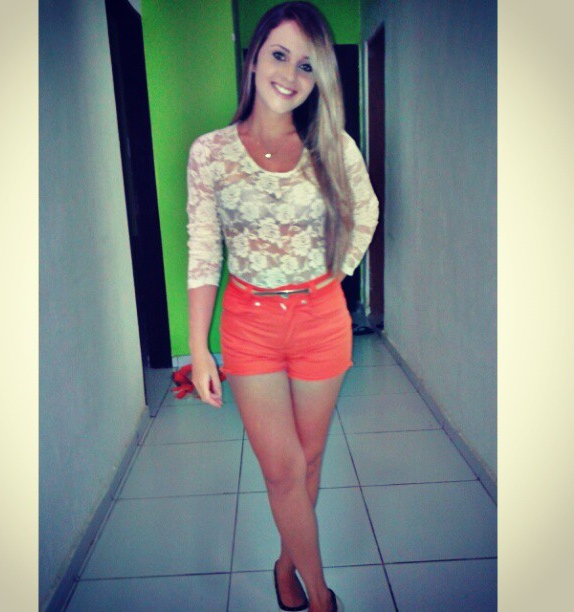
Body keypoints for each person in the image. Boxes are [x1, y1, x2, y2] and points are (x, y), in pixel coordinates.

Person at [186, 3, 379, 610]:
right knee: (281, 470)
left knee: (308, 460)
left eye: (306, 64)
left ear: (319, 77)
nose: (290, 75)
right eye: (279, 55)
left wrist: (337, 274)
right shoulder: (211, 153)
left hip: (321, 318)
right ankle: (321, 598)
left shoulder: (333, 146)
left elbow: (366, 212)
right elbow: (203, 249)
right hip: (250, 324)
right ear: (254, 59)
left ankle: (286, 565)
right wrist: (198, 347)